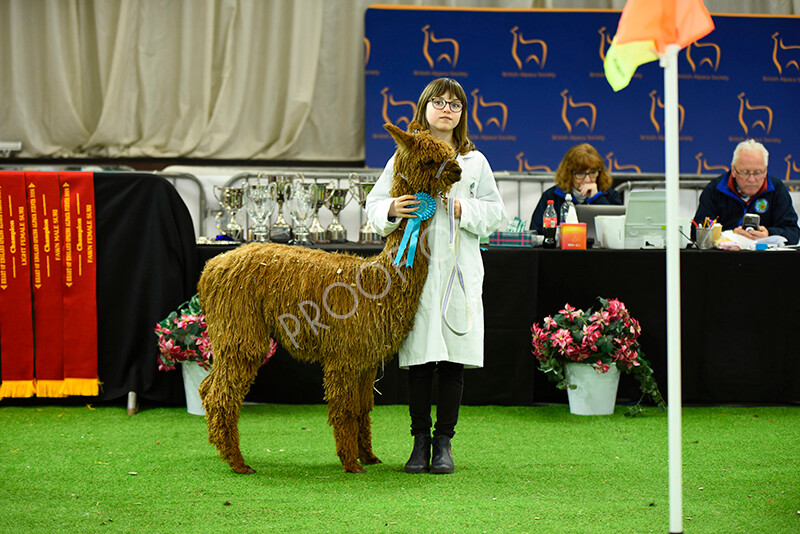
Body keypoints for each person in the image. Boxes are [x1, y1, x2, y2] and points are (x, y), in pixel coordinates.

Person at [366, 78, 506, 474]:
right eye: (439, 102)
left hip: (458, 271)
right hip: (417, 274)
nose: (447, 109)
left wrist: (465, 209)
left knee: (452, 361)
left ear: (462, 114)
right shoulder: (404, 156)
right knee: (420, 359)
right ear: (424, 107)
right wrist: (393, 208)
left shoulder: (475, 162)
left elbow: (496, 211)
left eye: (455, 104)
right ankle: (419, 442)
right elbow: (373, 205)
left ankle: (444, 442)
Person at [692, 139, 800, 244]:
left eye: (757, 172)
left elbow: (793, 233)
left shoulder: (776, 189)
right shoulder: (715, 189)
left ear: (765, 170)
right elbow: (696, 232)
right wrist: (730, 235)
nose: (751, 179)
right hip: (725, 258)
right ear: (733, 171)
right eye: (745, 172)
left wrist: (769, 233)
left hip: (766, 259)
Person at [529, 143, 622, 234]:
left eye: (593, 173)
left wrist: (597, 198)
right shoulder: (551, 196)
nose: (588, 180)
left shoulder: (611, 196)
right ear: (569, 174)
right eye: (580, 174)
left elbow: (618, 231)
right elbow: (536, 233)